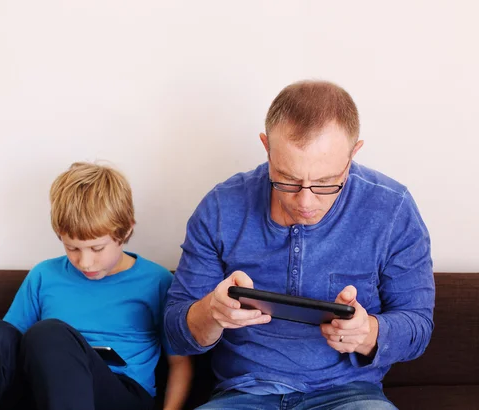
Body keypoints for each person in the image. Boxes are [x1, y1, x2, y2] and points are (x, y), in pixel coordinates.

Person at [164, 80, 434, 409]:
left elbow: (418, 326)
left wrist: (368, 333)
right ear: (266, 147)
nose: (305, 201)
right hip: (244, 394)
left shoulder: (392, 209)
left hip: (349, 394)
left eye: (324, 183)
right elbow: (175, 333)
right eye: (288, 179)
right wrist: (211, 312)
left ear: (353, 154)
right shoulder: (221, 207)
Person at [0, 162, 192, 410]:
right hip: (45, 389)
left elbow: (179, 363)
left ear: (125, 232)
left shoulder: (157, 281)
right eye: (72, 248)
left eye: (97, 248)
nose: (85, 262)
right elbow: (6, 349)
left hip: (118, 392)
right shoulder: (44, 275)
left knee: (49, 334)